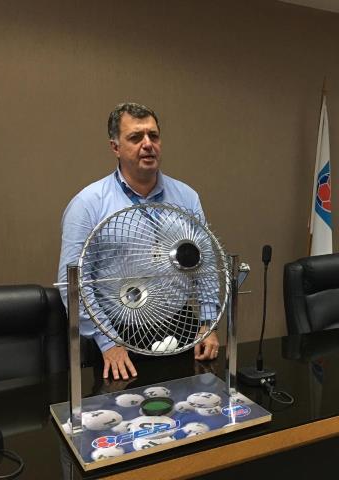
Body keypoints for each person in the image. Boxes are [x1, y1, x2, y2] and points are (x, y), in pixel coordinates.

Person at [57, 102, 220, 381]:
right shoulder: (88, 204)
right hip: (117, 339)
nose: (147, 144)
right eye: (135, 137)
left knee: (191, 405)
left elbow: (203, 263)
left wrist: (208, 323)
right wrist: (107, 342)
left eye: (153, 136)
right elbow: (73, 282)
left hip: (183, 329)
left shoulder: (186, 197)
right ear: (115, 147)